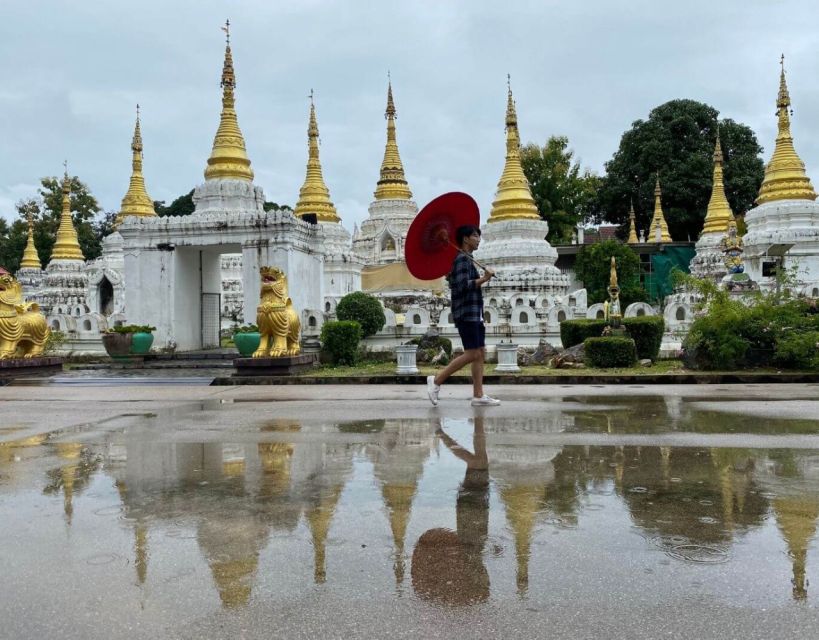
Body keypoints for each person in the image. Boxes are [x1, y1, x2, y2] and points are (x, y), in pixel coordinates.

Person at [427, 224, 500, 406]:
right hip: (466, 313)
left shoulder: (468, 259)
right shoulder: (461, 260)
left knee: (480, 352)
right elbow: (460, 287)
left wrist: (482, 277)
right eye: (475, 236)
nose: (478, 239)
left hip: (475, 313)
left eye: (478, 236)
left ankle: (478, 395)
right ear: (466, 239)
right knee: (472, 353)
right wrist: (484, 279)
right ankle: (436, 381)